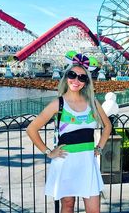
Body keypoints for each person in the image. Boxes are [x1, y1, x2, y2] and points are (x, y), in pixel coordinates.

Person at [26, 52, 112, 213]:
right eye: (72, 75)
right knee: (68, 206)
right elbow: (31, 129)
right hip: (66, 162)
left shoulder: (92, 102)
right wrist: (49, 152)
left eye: (82, 77)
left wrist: (99, 147)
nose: (76, 80)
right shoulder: (58, 103)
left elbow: (107, 126)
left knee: (94, 210)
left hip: (87, 163)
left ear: (86, 82)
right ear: (66, 76)